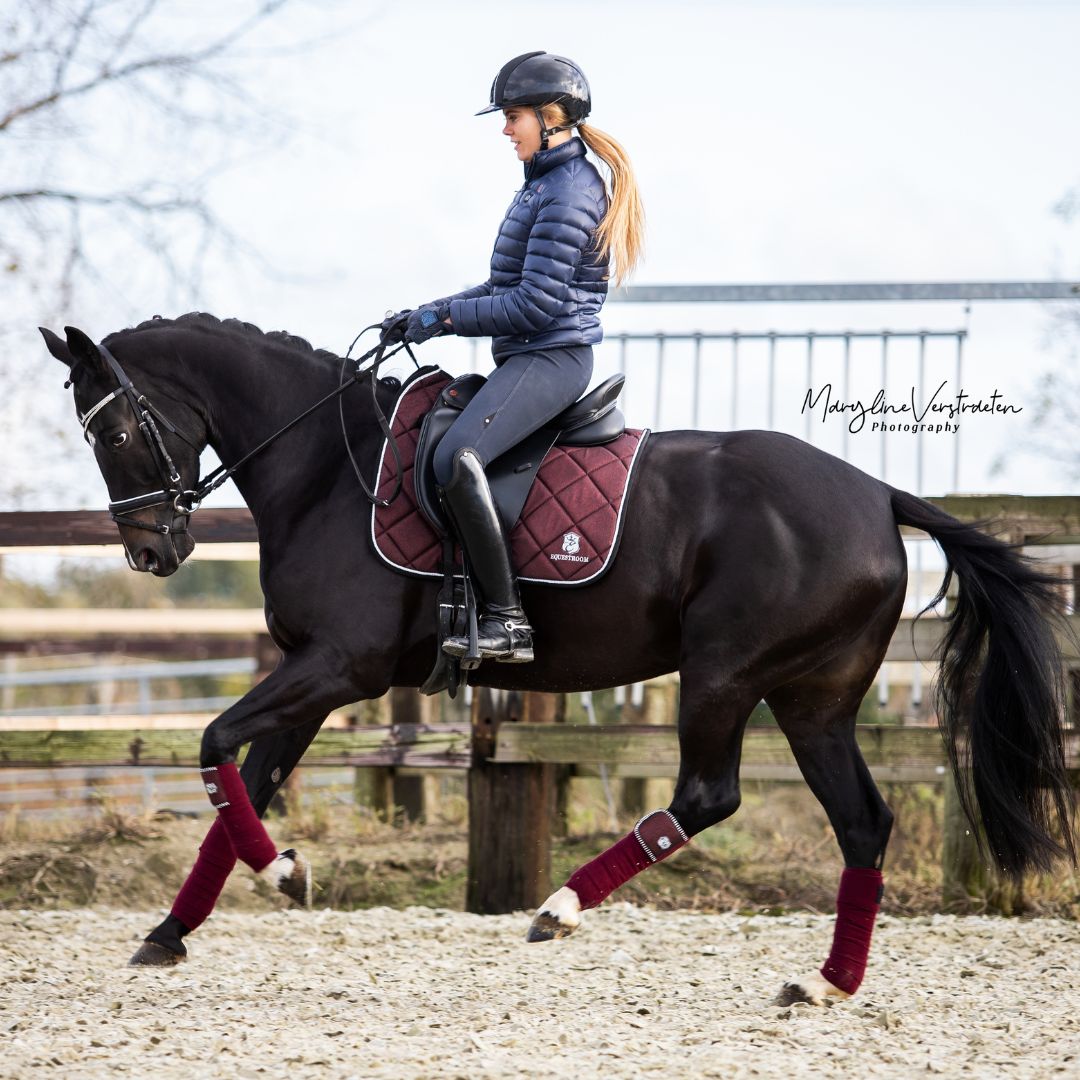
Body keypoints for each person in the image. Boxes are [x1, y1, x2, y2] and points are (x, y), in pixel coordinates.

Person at [384, 50, 644, 665]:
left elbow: (533, 304)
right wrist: (426, 312)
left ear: (551, 118)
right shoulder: (544, 185)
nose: (506, 130)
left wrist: (443, 320)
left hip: (552, 357)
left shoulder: (571, 191)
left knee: (459, 455)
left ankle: (507, 620)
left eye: (513, 117)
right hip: (530, 354)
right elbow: (502, 288)